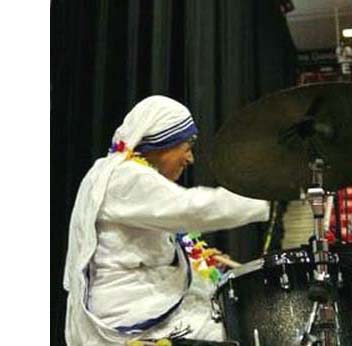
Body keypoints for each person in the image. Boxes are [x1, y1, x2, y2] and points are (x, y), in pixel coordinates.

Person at [63, 95, 271, 345]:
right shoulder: (124, 178)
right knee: (241, 332)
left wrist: (193, 261)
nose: (190, 159)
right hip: (129, 317)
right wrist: (267, 198)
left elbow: (148, 252)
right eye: (186, 147)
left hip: (149, 305)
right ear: (162, 144)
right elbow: (192, 209)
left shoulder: (120, 175)